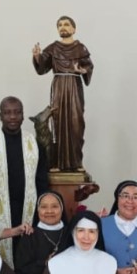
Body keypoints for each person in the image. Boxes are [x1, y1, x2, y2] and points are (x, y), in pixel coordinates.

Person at [0, 96, 50, 266]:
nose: (13, 117)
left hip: (28, 207)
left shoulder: (35, 144)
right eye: (7, 113)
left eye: (17, 112)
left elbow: (42, 181)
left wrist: (41, 210)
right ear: (0, 116)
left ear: (23, 115)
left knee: (25, 253)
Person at [32, 16, 93, 172]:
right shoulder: (53, 48)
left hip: (74, 86)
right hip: (59, 87)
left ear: (73, 29)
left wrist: (83, 70)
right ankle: (56, 163)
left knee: (76, 124)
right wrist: (37, 57)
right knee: (58, 122)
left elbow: (88, 66)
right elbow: (42, 67)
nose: (63, 27)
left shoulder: (81, 48)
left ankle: (77, 162)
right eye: (60, 25)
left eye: (66, 24)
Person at [13, 191, 72, 274]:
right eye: (44, 207)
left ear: (62, 209)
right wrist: (45, 263)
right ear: (38, 210)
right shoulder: (29, 236)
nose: (49, 211)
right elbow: (21, 272)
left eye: (54, 206)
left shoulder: (71, 234)